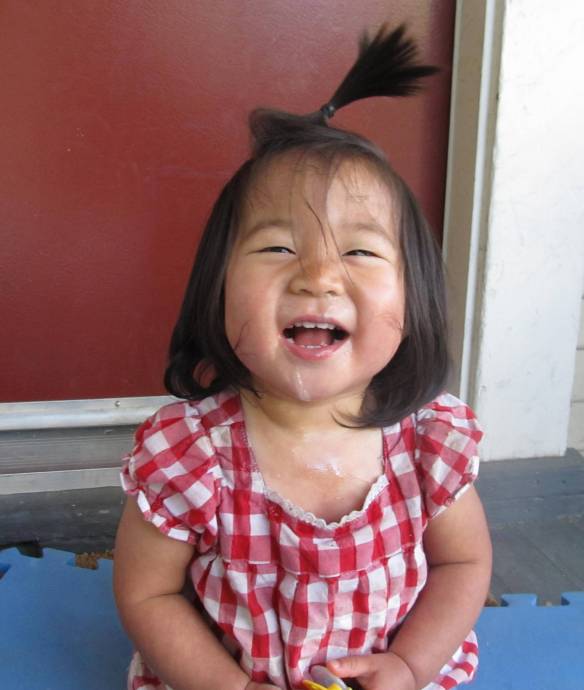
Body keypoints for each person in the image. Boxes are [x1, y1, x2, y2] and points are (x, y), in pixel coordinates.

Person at [113, 24, 492, 690]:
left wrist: (409, 665)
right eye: (278, 248)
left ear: (415, 298)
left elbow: (463, 565)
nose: (318, 277)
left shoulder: (428, 443)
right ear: (218, 286)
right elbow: (148, 594)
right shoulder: (190, 458)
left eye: (361, 251)